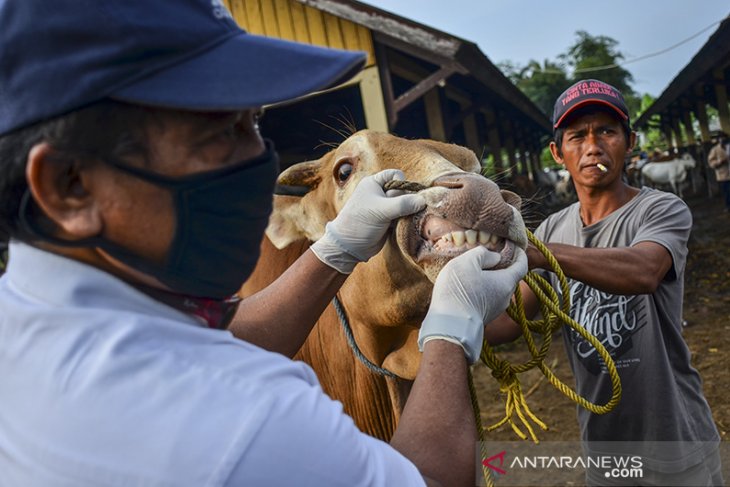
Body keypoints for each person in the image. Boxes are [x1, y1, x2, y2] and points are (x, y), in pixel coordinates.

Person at [0, 1, 529, 486]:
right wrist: (452, 332)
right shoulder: (247, 425)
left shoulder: (22, 318)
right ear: (70, 186)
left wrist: (338, 247)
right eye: (218, 131)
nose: (261, 156)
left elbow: (221, 344)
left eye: (252, 120)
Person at [486, 79, 722, 486]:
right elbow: (508, 324)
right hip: (605, 449)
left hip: (675, 438)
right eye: (578, 136)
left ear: (629, 142)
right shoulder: (552, 229)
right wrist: (448, 303)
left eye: (607, 132)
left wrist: (540, 254)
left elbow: (644, 271)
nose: (593, 145)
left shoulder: (660, 209)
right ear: (558, 153)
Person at [708, 133, 730, 212]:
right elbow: (711, 162)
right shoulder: (715, 150)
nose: (723, 140)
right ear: (719, 140)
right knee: (727, 192)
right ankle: (728, 206)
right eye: (721, 138)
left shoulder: (729, 147)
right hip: (723, 175)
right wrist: (719, 162)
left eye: (725, 138)